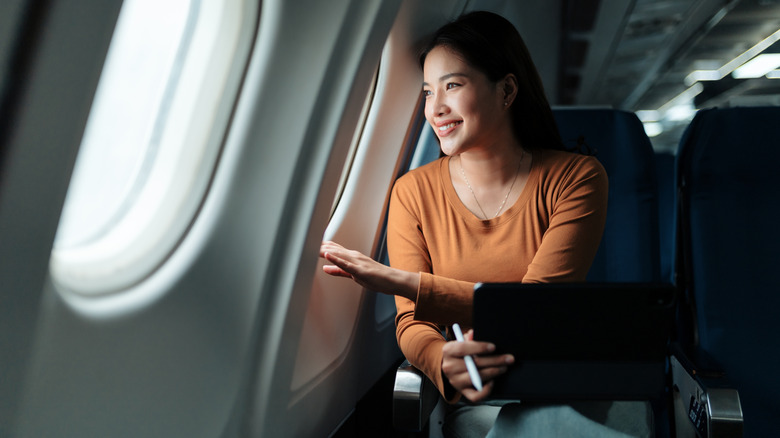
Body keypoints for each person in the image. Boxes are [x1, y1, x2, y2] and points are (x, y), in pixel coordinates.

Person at [320, 11, 650, 438]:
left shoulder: (578, 177)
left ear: (507, 89)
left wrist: (400, 281)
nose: (435, 108)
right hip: (484, 396)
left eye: (452, 85)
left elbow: (534, 309)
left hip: (569, 385)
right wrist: (442, 360)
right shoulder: (412, 192)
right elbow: (412, 324)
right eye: (426, 92)